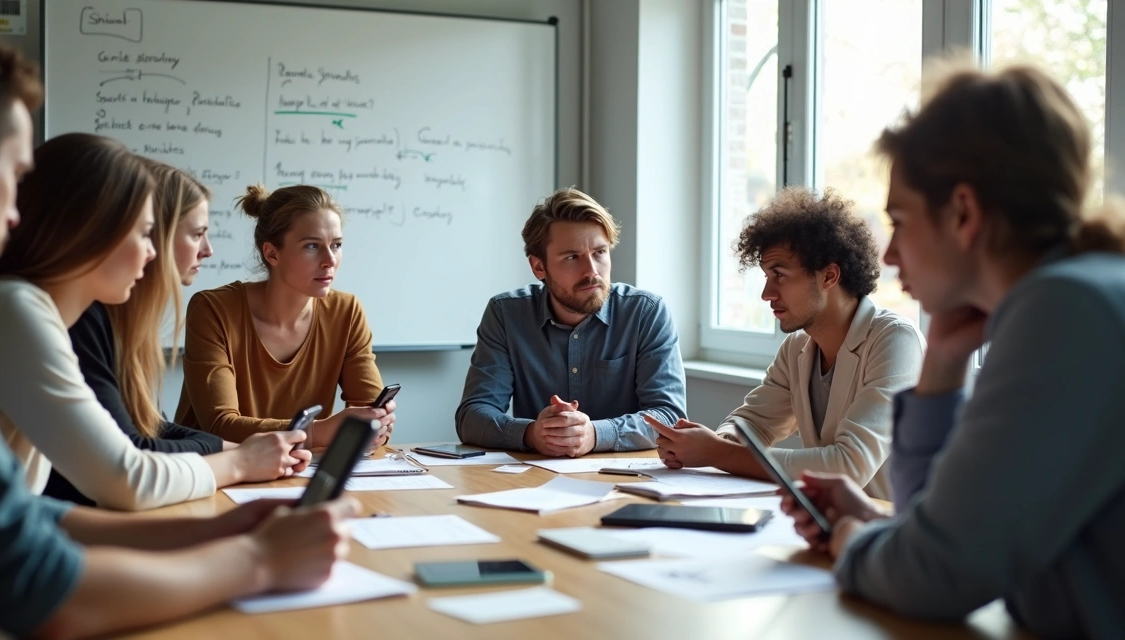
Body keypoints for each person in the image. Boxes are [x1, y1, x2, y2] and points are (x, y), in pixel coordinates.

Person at [0, 10, 354, 638]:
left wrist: (217, 529)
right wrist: (256, 560)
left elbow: (29, 516)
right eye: (13, 175)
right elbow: (37, 572)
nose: (14, 214)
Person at [779, 61, 1125, 639]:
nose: (889, 257)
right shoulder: (1071, 295)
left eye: (900, 221)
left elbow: (935, 577)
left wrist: (853, 541)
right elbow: (946, 539)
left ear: (963, 213)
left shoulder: (1065, 312)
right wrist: (941, 362)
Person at [0, 133, 312, 510]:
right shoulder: (16, 311)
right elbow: (127, 478)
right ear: (94, 230)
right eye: (146, 233)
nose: (152, 253)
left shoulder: (24, 309)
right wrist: (242, 462)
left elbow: (36, 515)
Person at [650, 187, 924, 499]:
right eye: (766, 276)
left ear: (829, 276)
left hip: (896, 529)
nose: (766, 293)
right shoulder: (797, 349)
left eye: (779, 275)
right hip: (831, 524)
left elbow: (849, 465)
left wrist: (716, 453)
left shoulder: (895, 341)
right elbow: (753, 424)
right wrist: (712, 441)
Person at [44, 160, 228, 505]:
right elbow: (134, 450)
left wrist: (244, 450)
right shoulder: (83, 320)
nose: (208, 250)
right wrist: (239, 461)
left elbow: (153, 426)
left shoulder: (127, 324)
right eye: (197, 233)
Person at [456, 187, 688, 456]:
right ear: (539, 267)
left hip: (621, 481)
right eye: (572, 257)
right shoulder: (506, 314)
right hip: (534, 482)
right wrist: (532, 434)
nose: (591, 271)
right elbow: (471, 417)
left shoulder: (646, 312)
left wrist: (595, 434)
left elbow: (668, 416)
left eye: (599, 253)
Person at [175, 183, 395, 448]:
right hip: (214, 474)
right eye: (312, 246)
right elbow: (221, 425)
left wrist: (377, 424)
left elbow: (368, 412)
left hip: (299, 471)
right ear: (272, 253)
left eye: (336, 245)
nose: (330, 260)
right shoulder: (213, 309)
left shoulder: (346, 312)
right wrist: (319, 432)